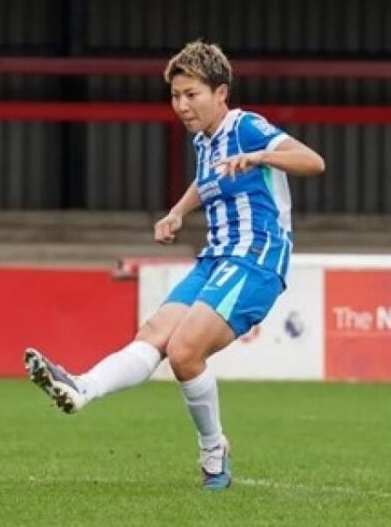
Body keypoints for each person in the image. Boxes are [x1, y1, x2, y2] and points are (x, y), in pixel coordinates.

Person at [23, 40, 325, 490]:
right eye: (175, 96)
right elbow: (205, 183)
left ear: (221, 93)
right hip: (216, 258)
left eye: (191, 95)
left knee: (184, 352)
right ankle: (81, 388)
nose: (181, 106)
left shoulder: (246, 127)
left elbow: (313, 161)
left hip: (255, 259)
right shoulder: (206, 140)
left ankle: (213, 450)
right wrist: (178, 212)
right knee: (153, 335)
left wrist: (260, 156)